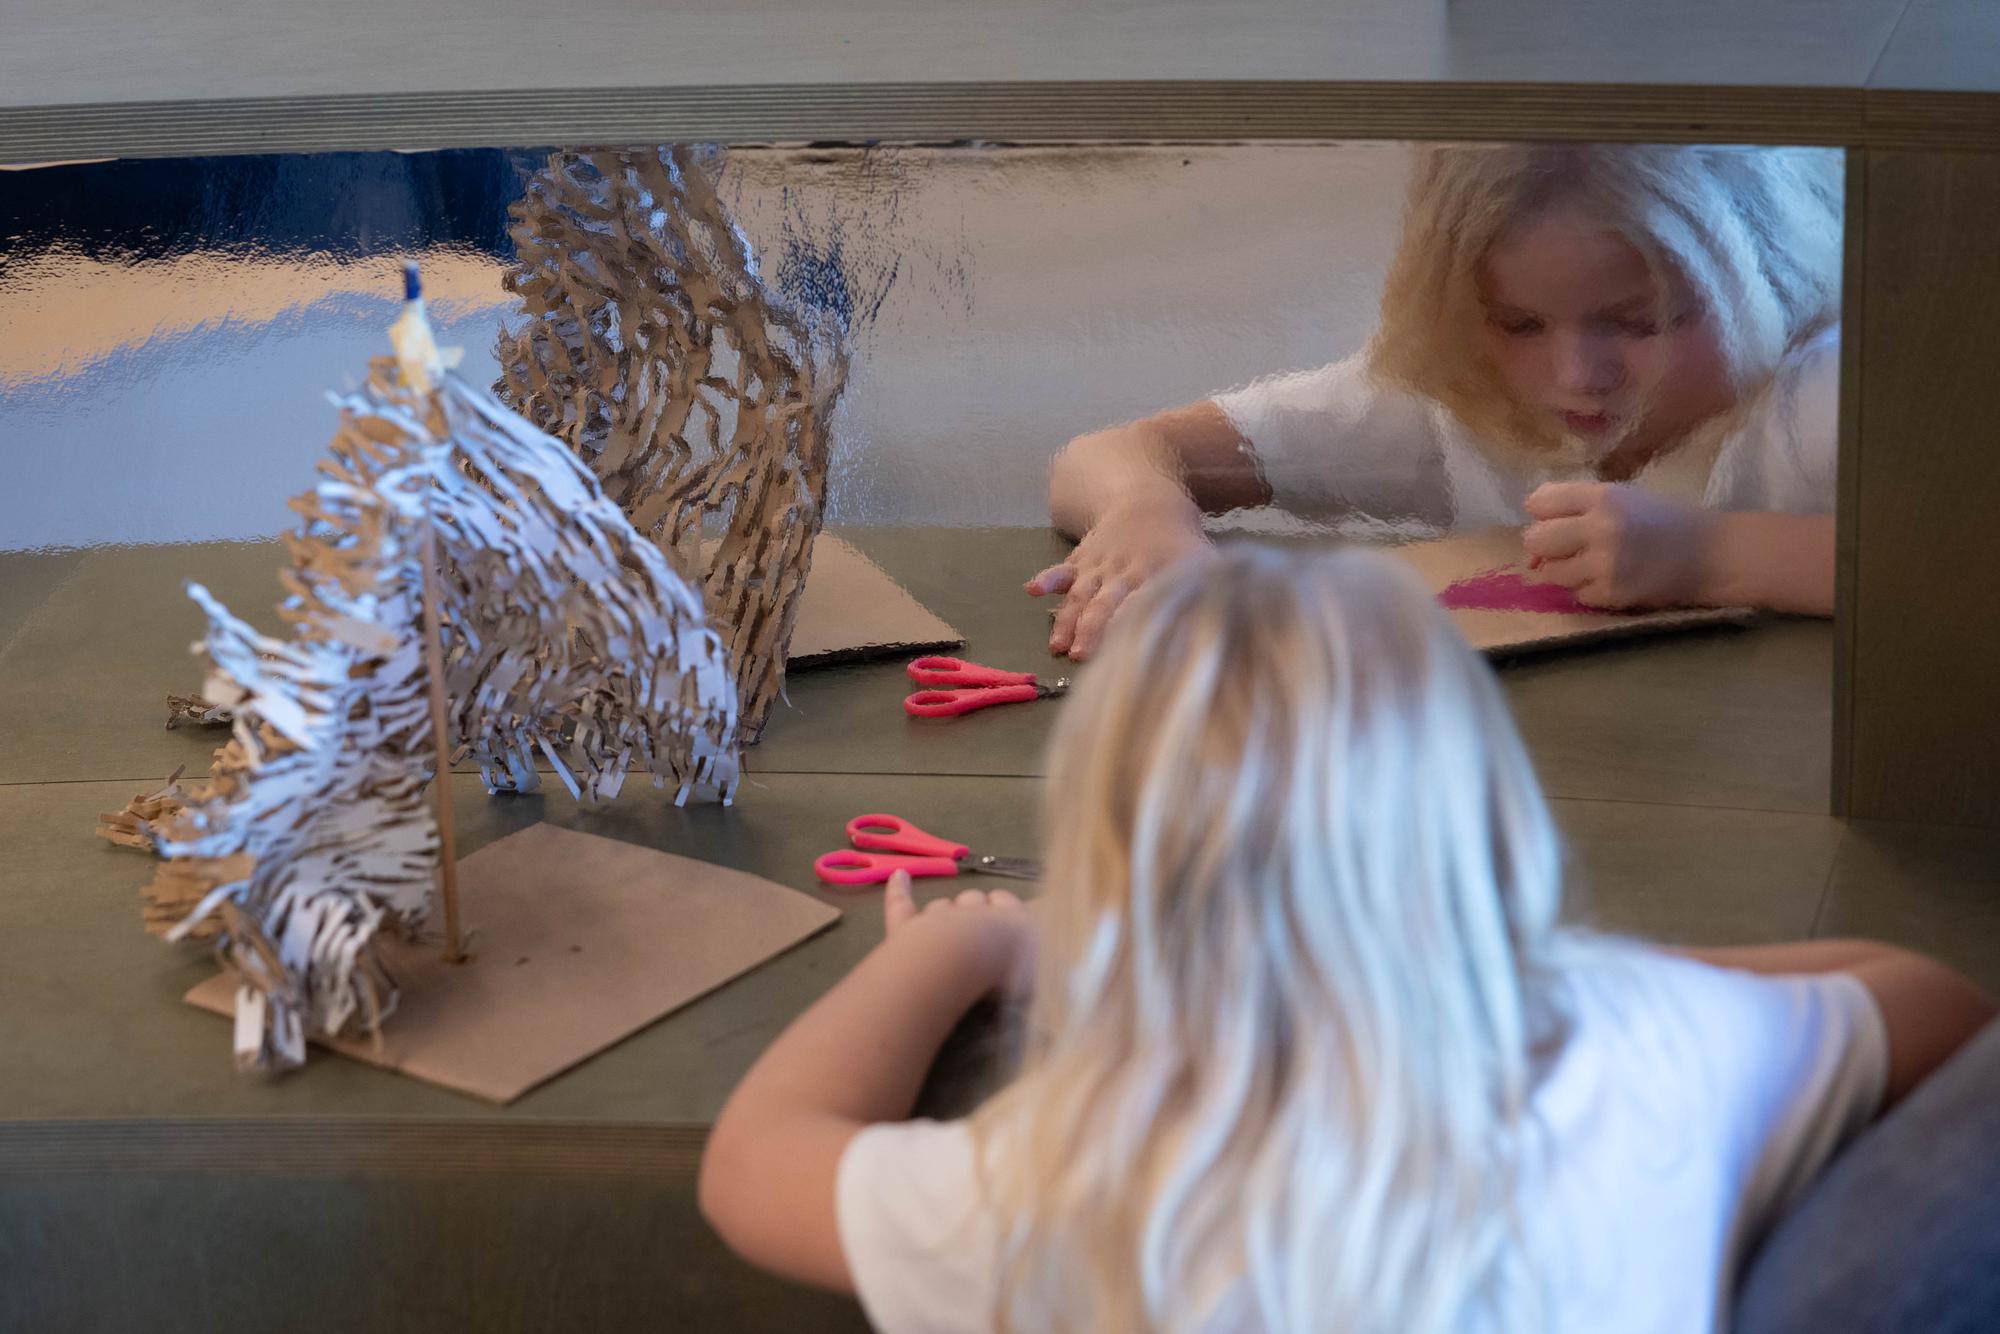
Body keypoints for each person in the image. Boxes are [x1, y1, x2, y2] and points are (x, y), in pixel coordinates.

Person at [699, 546, 1993, 1332]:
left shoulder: (1064, 1183)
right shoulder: (1661, 1052)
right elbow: (1930, 1003)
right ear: (1489, 825)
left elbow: (754, 1163)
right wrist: (1526, 972)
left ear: (1108, 878)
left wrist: (951, 953)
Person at [1029, 144, 1845, 660]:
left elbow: (1931, 578)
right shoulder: (1460, 400)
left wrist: (1711, 557)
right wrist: (1145, 508)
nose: (1576, 375)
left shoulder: (1824, 401)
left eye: (1638, 322)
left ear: (1762, 277)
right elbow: (1101, 455)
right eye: (1519, 323)